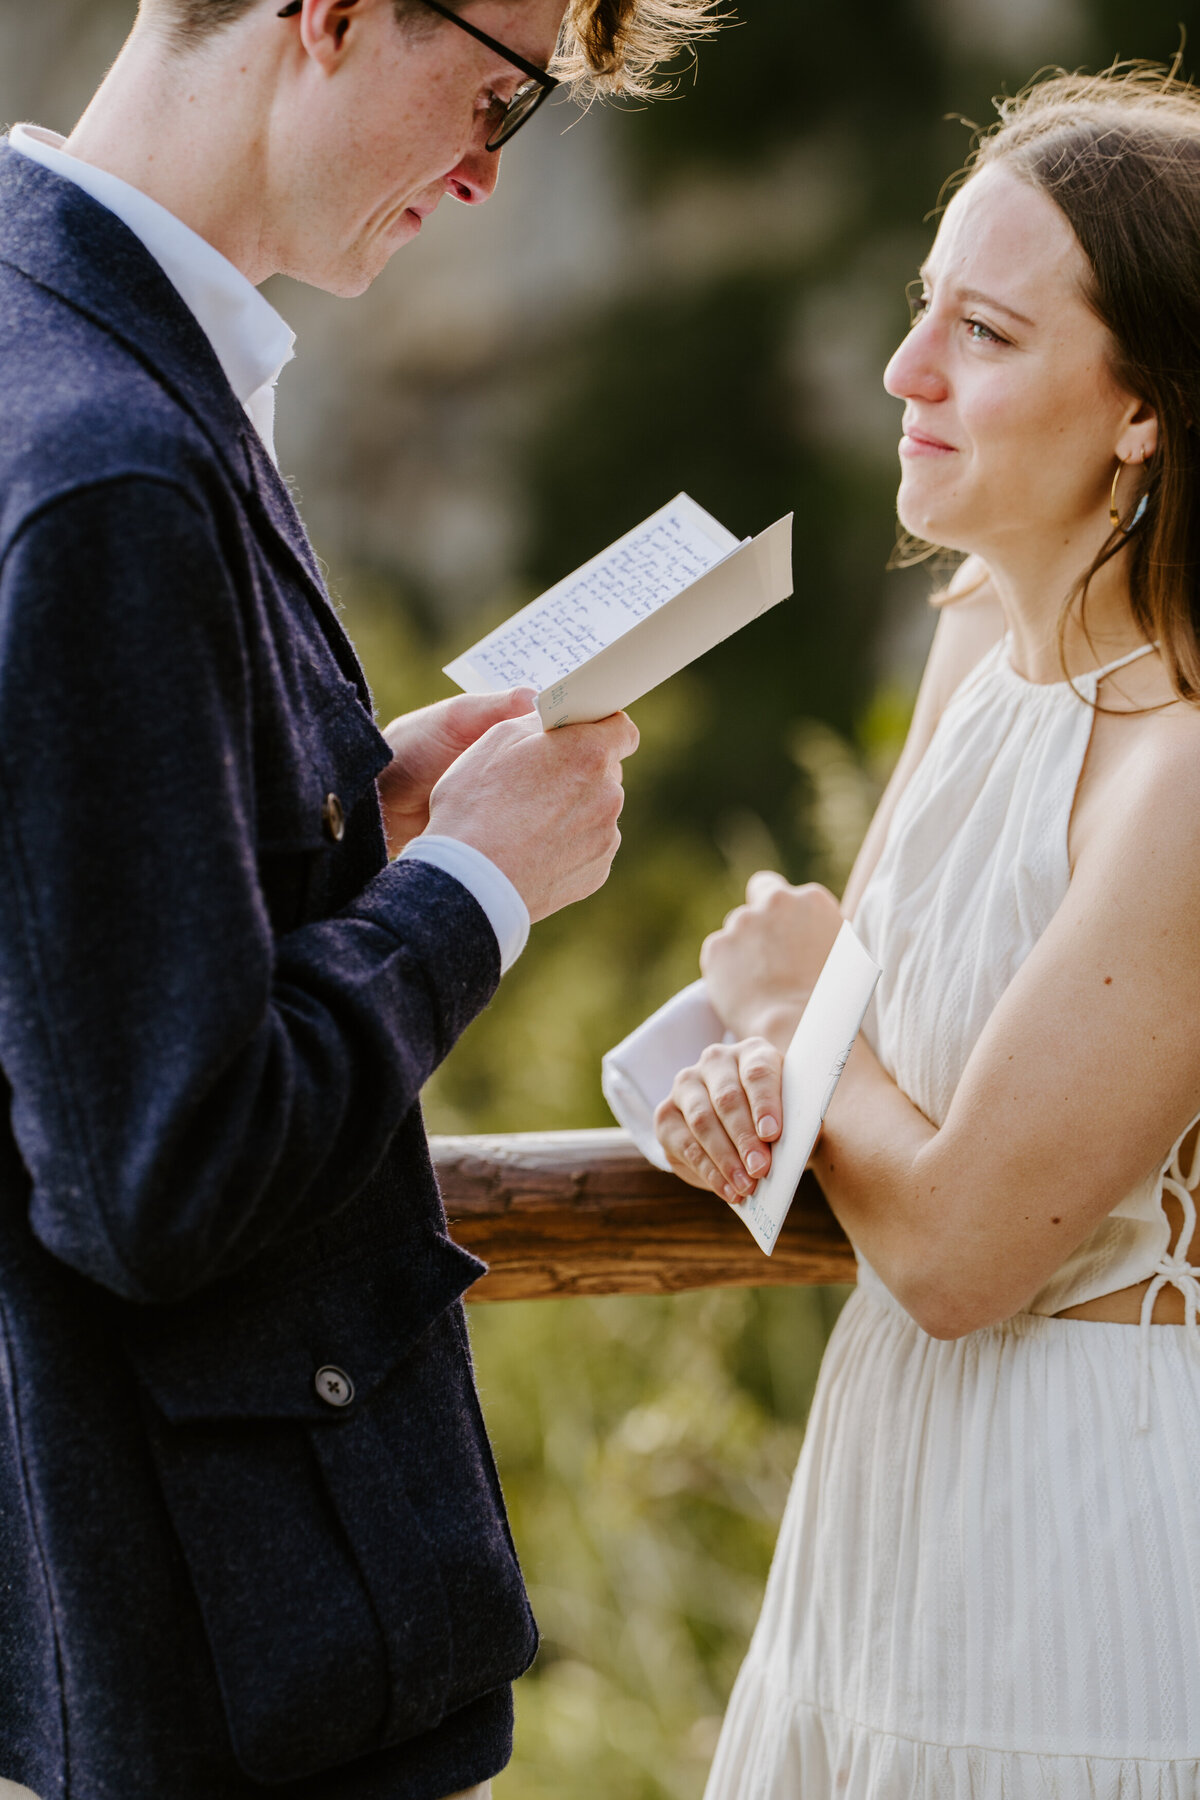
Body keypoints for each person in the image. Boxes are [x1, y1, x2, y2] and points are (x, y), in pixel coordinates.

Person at [0, 0, 720, 1795]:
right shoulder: (109, 464)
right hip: (226, 1655)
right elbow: (160, 1175)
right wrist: (481, 882)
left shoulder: (53, 339)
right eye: (498, 92)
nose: (485, 171)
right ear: (322, 13)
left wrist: (355, 810)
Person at [654, 64, 1200, 1798]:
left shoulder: (1187, 769)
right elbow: (859, 1058)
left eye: (984, 332)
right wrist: (741, 1077)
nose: (907, 375)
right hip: (883, 1509)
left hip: (1081, 1537)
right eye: (920, 313)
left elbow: (965, 1248)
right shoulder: (977, 637)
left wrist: (804, 1005)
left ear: (1143, 412)